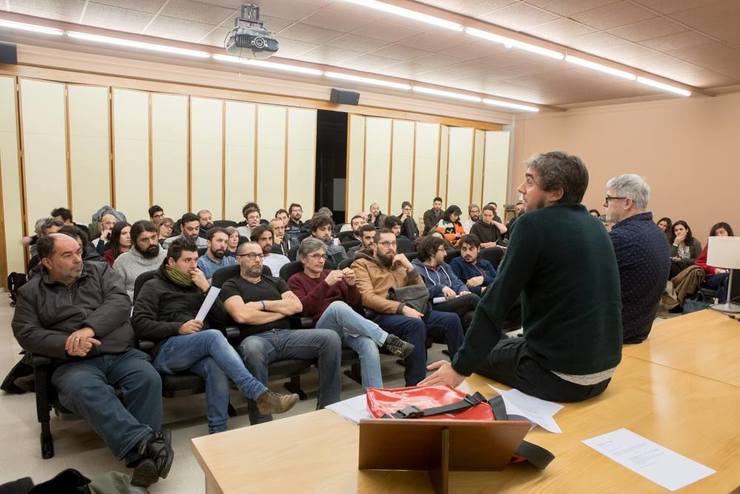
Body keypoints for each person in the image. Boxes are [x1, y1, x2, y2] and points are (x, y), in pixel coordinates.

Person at [420, 151, 622, 403]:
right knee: (495, 347)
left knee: (476, 358)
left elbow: (496, 303)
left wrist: (459, 367)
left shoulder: (532, 224)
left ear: (555, 192)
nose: (520, 188)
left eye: (529, 181)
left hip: (560, 377)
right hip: (603, 371)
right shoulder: (595, 225)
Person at [12, 234, 173, 488]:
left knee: (147, 378)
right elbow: (26, 332)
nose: (78, 259)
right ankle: (148, 447)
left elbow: (120, 302)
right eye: (68, 255)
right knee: (84, 389)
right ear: (47, 262)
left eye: (78, 251)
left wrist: (88, 330)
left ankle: (143, 454)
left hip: (119, 351)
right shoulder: (31, 291)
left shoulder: (99, 271)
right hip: (72, 362)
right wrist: (68, 344)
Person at [132, 238, 298, 434]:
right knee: (212, 336)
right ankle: (259, 394)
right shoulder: (153, 286)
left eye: (195, 260)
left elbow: (223, 320)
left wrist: (206, 289)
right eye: (187, 261)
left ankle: (218, 432)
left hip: (198, 347)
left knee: (215, 366)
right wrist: (178, 328)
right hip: (168, 349)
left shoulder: (196, 285)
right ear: (171, 262)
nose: (193, 265)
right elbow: (140, 324)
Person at [220, 242, 342, 424]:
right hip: (255, 339)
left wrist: (262, 305)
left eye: (260, 255)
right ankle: (261, 420)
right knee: (252, 349)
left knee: (330, 338)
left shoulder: (276, 281)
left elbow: (297, 306)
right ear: (238, 259)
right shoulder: (231, 285)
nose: (257, 260)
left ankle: (328, 406)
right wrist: (281, 310)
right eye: (251, 255)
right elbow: (242, 315)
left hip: (287, 336)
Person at [288, 237, 414, 389]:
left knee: (368, 344)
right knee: (337, 306)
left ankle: (376, 396)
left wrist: (352, 285)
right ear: (303, 259)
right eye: (315, 256)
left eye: (323, 256)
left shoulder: (332, 273)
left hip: (346, 328)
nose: (321, 260)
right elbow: (304, 308)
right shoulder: (296, 280)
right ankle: (386, 338)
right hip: (322, 329)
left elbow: (355, 304)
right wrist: (326, 284)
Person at [352, 229, 464, 386]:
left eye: (393, 243)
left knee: (451, 320)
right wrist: (401, 308)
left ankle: (461, 371)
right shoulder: (361, 264)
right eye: (385, 243)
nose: (390, 247)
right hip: (381, 317)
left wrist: (409, 268)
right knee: (415, 325)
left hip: (410, 311)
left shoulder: (399, 263)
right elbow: (367, 298)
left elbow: (422, 291)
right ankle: (416, 386)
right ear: (375, 246)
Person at [604, 174, 670, 344]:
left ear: (627, 202)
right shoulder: (658, 234)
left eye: (608, 198)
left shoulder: (621, 238)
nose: (604, 204)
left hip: (611, 337)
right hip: (639, 329)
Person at [411, 235, 479, 330]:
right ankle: (501, 337)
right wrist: (440, 288)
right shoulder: (416, 269)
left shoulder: (444, 266)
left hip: (450, 301)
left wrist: (463, 290)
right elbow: (421, 293)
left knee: (471, 316)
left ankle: (477, 343)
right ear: (431, 252)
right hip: (432, 305)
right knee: (472, 298)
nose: (446, 254)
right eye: (442, 250)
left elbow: (457, 282)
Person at [113, 220, 167, 300]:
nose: (151, 243)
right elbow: (116, 293)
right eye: (144, 240)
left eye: (153, 237)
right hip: (136, 306)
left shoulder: (169, 257)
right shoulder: (121, 262)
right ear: (134, 242)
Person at [695, 222, 735, 303]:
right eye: (717, 233)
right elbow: (698, 262)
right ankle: (725, 307)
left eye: (721, 232)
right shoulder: (711, 245)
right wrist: (715, 269)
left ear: (728, 233)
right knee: (727, 278)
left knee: (724, 286)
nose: (719, 235)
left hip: (729, 276)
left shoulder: (735, 245)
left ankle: (722, 307)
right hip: (712, 277)